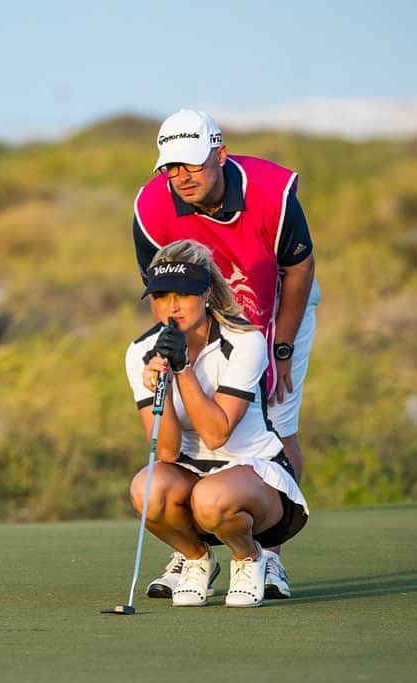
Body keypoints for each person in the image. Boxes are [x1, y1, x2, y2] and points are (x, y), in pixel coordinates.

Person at [132, 108, 320, 599]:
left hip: (276, 305)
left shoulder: (271, 194)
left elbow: (299, 269)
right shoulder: (151, 208)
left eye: (191, 164)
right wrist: (173, 362)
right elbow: (161, 289)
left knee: (277, 416)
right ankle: (190, 551)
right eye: (171, 167)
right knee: (198, 424)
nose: (181, 177)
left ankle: (270, 556)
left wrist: (280, 348)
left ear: (220, 154)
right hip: (201, 309)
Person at [125, 239, 308, 607]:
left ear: (207, 292)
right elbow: (166, 450)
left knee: (212, 497)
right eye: (161, 296)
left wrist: (183, 371)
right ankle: (196, 560)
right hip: (189, 473)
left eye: (183, 294)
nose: (171, 307)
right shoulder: (140, 352)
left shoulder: (244, 341)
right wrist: (162, 385)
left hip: (255, 477)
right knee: (146, 489)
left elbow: (216, 431)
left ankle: (250, 559)